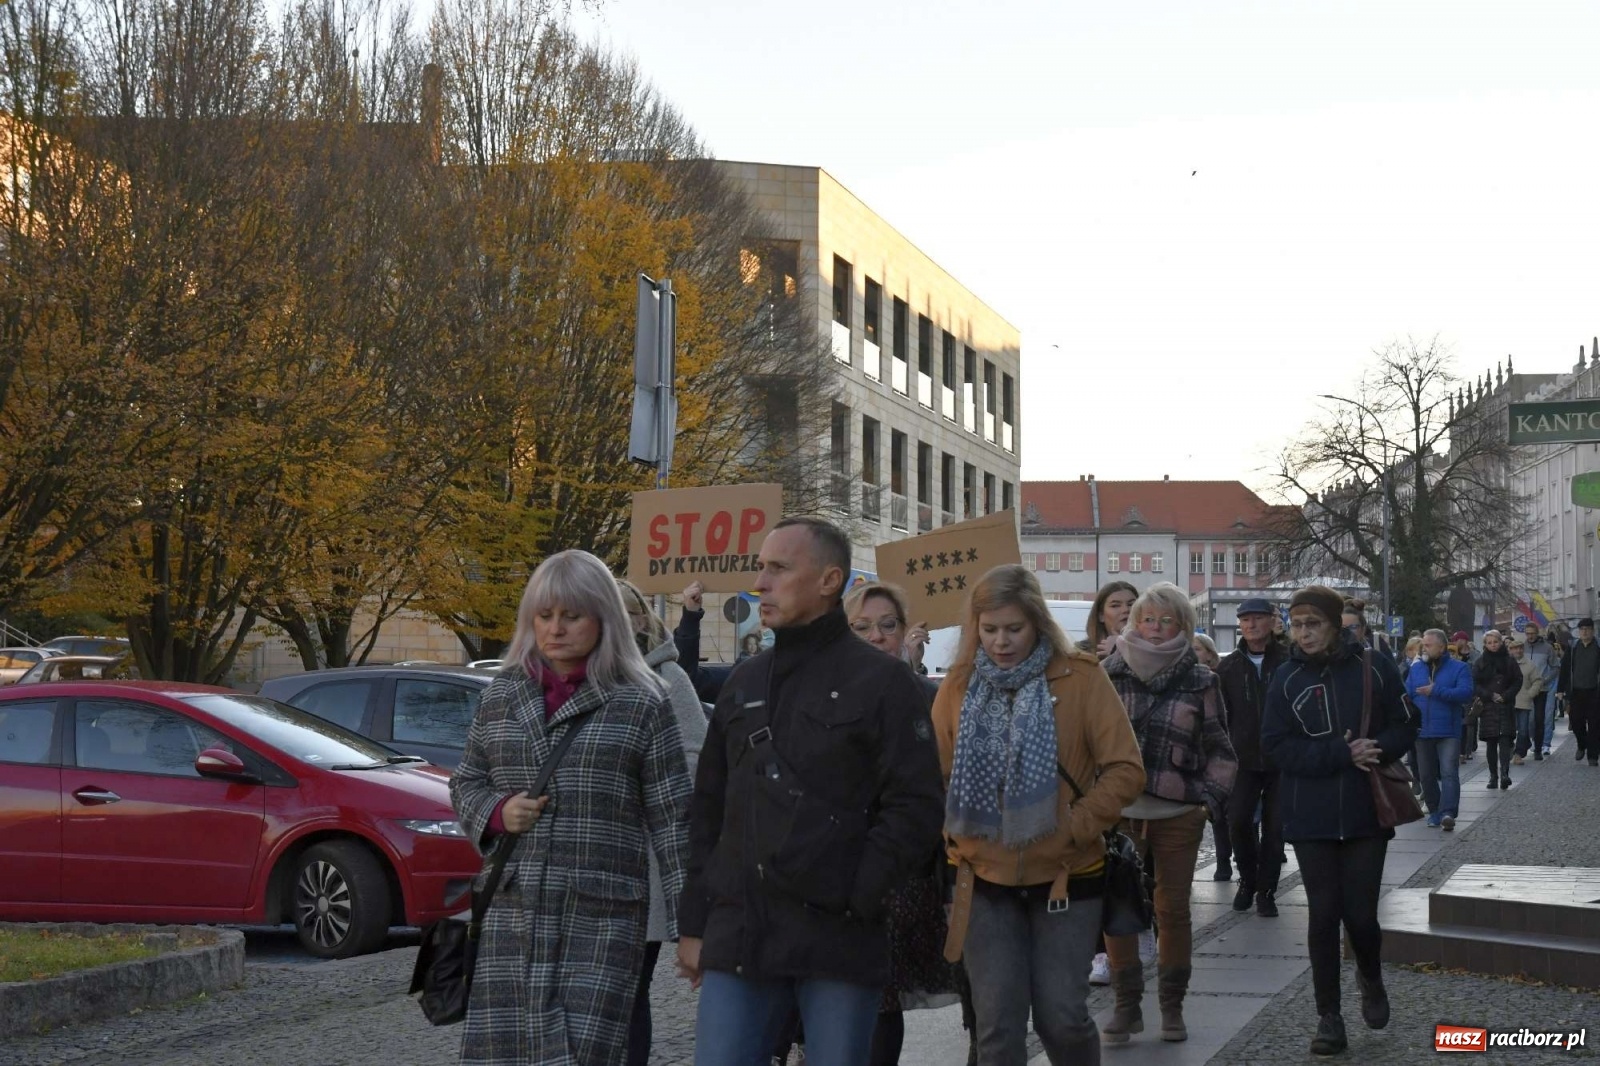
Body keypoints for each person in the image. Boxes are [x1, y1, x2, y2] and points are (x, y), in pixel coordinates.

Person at [677, 517, 945, 1066]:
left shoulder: (885, 683)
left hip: (838, 937)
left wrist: (860, 892)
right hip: (740, 933)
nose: (761, 583)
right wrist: (694, 922)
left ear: (829, 580)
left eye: (778, 568)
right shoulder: (745, 681)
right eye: (760, 567)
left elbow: (915, 806)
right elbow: (708, 811)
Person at [450, 550, 693, 1066]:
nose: (555, 629)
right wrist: (496, 811)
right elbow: (466, 781)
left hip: (601, 919)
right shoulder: (500, 697)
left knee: (584, 1055)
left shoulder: (644, 701)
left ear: (603, 617)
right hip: (512, 919)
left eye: (572, 615)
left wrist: (691, 929)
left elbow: (675, 822)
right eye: (544, 615)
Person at [933, 563, 1145, 1064]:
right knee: (998, 1029)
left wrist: (1074, 825)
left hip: (1067, 877)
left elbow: (1125, 769)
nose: (1001, 642)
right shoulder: (958, 686)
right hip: (981, 877)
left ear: (1037, 622)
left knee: (1063, 1019)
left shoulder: (1082, 678)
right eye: (989, 630)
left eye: (1014, 629)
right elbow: (935, 776)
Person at [1262, 585, 1417, 1057]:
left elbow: (1406, 721)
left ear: (1334, 624)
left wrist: (1380, 748)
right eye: (1296, 624)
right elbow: (1275, 745)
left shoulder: (1374, 666)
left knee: (1362, 917)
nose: (1303, 633)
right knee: (1324, 915)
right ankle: (1328, 1016)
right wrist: (1338, 753)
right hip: (1309, 814)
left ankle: (1370, 974)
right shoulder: (1285, 678)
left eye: (1313, 624)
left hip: (1366, 811)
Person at [1099, 582, 1237, 1046]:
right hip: (1119, 811)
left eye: (1166, 621)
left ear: (1183, 626)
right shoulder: (1107, 673)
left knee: (1172, 910)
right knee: (1118, 909)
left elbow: (1221, 749)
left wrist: (1207, 801)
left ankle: (1172, 1007)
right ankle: (1126, 1006)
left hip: (1178, 812)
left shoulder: (1202, 680)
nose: (1155, 629)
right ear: (1133, 623)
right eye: (1147, 619)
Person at [840, 581, 957, 1066]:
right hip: (830, 864)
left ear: (906, 631)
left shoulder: (925, 694)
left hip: (898, 871)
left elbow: (934, 786)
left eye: (887, 626)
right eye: (862, 627)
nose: (876, 637)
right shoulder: (823, 689)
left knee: (881, 994)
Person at [616, 579, 711, 1066]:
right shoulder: (575, 676)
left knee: (626, 997)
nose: (622, 622)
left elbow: (696, 761)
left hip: (642, 869)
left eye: (628, 612)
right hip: (582, 868)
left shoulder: (668, 678)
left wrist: (636, 785)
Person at [1215, 597, 1290, 919]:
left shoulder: (1288, 661)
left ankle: (1267, 891)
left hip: (1282, 761)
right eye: (1245, 620)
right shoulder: (1229, 666)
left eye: (1257, 619)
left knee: (1275, 831)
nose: (1250, 625)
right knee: (1239, 822)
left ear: (1272, 621)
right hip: (1242, 760)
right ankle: (1247, 879)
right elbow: (1220, 715)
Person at [1404, 630, 1473, 830]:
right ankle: (1434, 811)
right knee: (1426, 775)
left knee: (1449, 772)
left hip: (1448, 730)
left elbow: (1466, 693)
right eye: (1423, 645)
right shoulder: (1416, 669)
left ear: (1441, 647)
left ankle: (1448, 813)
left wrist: (1436, 691)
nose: (1423, 648)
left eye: (1428, 645)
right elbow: (1406, 693)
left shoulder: (1459, 668)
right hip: (1422, 730)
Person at [1191, 633, 1233, 886]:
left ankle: (1230, 858)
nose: (1194, 653)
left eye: (1197, 649)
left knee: (1229, 814)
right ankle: (1222, 860)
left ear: (1209, 652)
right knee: (1210, 816)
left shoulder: (1218, 678)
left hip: (1223, 751)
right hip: (1194, 757)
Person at [1469, 629, 1521, 790]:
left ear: (1500, 642)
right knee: (1491, 743)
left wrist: (1505, 696)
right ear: (1485, 645)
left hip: (1505, 705)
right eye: (1489, 642)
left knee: (1505, 741)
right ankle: (1493, 776)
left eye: (1496, 642)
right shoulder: (1480, 661)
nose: (1493, 645)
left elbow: (1517, 681)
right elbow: (1474, 683)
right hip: (1487, 706)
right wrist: (1489, 695)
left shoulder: (1510, 661)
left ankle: (1505, 774)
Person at [1558, 617, 1600, 765]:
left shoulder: (1598, 646)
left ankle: (1593, 756)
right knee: (1576, 723)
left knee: (1595, 725)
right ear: (1579, 631)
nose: (1585, 632)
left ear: (1592, 631)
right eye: (1582, 629)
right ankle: (1582, 745)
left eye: (1587, 629)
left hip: (1594, 692)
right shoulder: (1574, 647)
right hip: (1576, 692)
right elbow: (1564, 669)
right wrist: (1560, 690)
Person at [1519, 621, 1559, 760]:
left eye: (1532, 633)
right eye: (1527, 633)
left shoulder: (1547, 648)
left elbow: (1555, 667)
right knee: (1528, 720)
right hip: (1525, 689)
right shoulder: (1521, 647)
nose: (1530, 636)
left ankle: (1538, 748)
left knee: (1540, 719)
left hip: (1542, 689)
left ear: (1537, 633)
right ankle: (1530, 740)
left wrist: (1545, 680)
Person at [1509, 635, 1543, 773]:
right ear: (1510, 650)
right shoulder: (1505, 664)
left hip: (1524, 702)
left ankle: (1519, 754)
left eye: (1519, 648)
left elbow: (1538, 680)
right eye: (1514, 649)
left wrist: (1531, 693)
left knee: (1523, 730)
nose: (1517, 651)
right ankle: (1513, 750)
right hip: (1508, 702)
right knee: (1510, 730)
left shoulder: (1529, 665)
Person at [1080, 580, 1137, 659]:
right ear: (1101, 615)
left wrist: (1120, 649)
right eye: (1115, 606)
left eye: (1131, 604)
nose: (1126, 610)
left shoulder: (1152, 648)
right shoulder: (1081, 652)